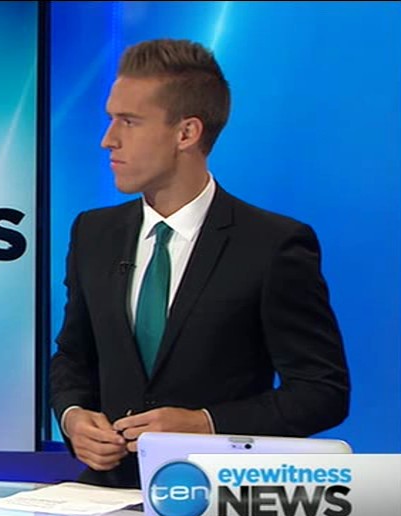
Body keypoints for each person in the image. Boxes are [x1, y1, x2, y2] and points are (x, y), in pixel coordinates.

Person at [49, 39, 350, 488]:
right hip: (108, 496)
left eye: (128, 121)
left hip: (220, 500)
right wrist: (74, 417)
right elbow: (73, 356)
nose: (108, 139)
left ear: (186, 133)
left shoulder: (273, 245)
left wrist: (207, 424)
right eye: (111, 119)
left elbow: (322, 392)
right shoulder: (93, 233)